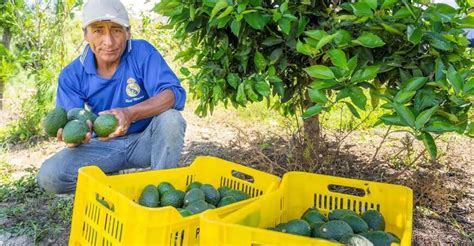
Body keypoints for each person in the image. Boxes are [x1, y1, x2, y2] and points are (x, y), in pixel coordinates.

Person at [36, 0, 186, 194]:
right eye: (98, 30)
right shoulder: (72, 74)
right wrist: (74, 137)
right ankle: (113, 188)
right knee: (50, 176)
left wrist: (130, 113)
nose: (109, 41)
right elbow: (72, 120)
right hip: (104, 147)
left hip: (145, 141)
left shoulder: (142, 52)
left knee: (171, 120)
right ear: (86, 34)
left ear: (128, 32)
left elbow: (173, 93)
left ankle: (161, 191)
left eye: (116, 30)